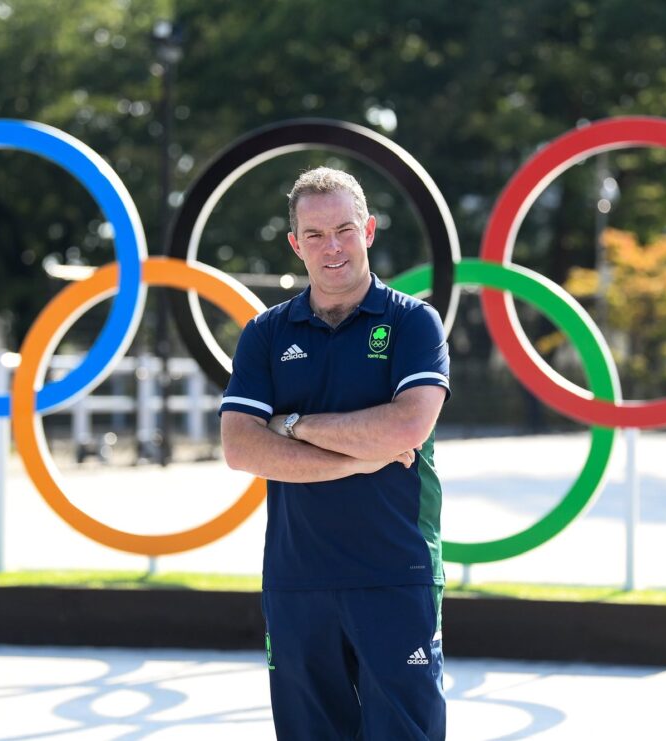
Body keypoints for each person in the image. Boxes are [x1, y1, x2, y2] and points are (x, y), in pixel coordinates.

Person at [219, 167, 450, 740]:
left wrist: (291, 426)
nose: (333, 247)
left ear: (368, 230)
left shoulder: (413, 323)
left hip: (396, 573)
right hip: (298, 581)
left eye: (344, 229)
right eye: (315, 235)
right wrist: (355, 457)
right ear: (296, 244)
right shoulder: (266, 334)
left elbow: (407, 425)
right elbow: (240, 446)